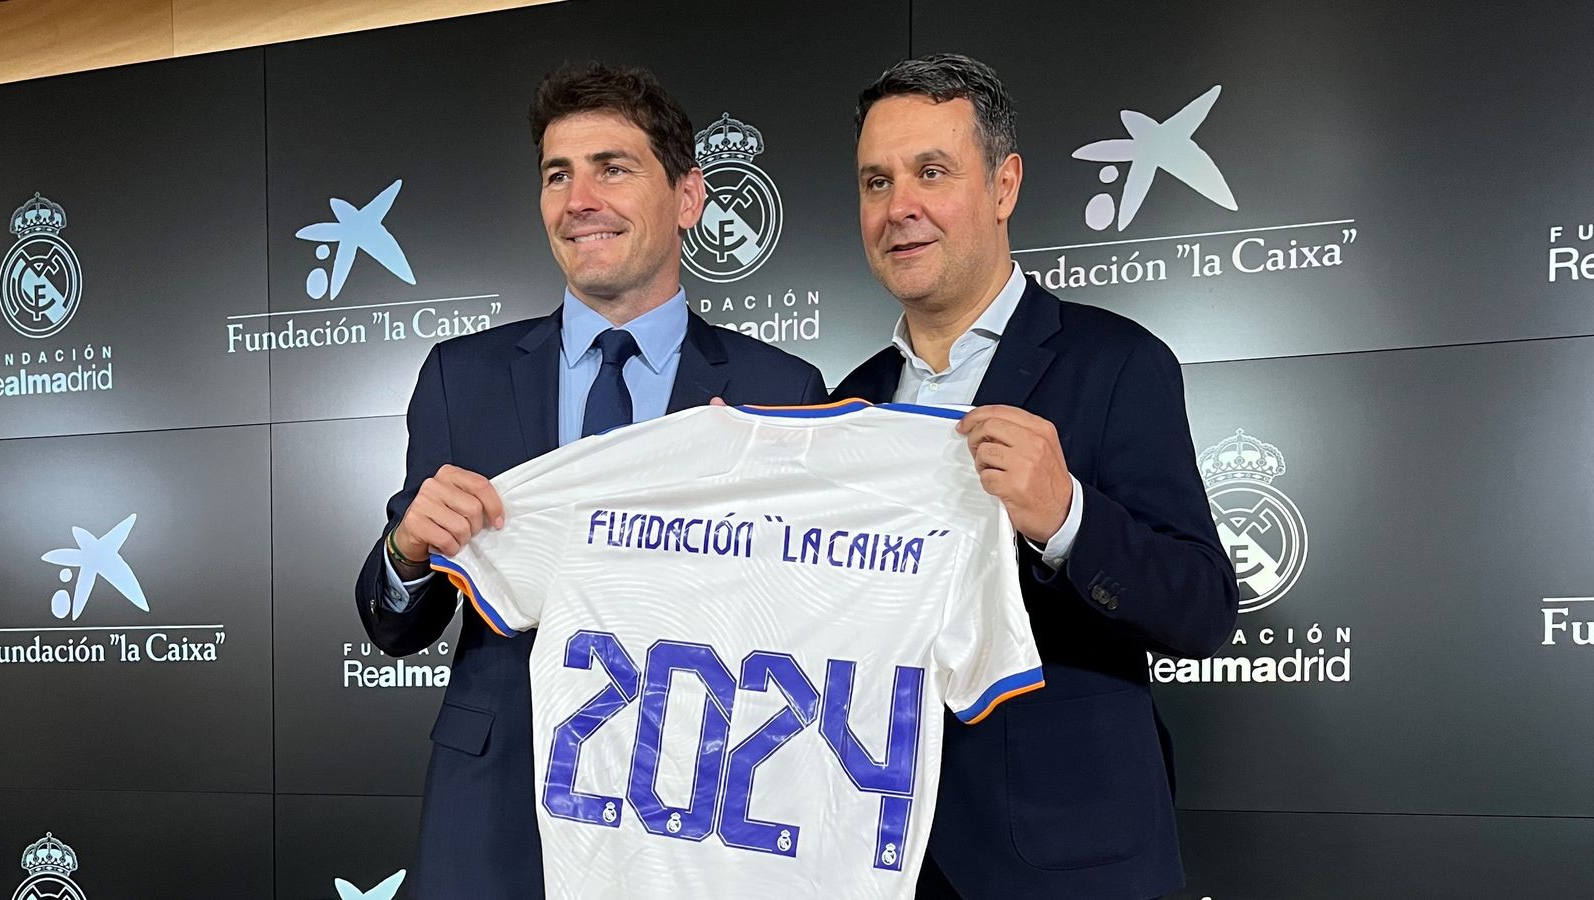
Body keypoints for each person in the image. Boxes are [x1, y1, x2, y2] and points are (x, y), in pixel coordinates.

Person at [353, 61, 826, 898]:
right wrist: (407, 552)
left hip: (694, 812)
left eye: (613, 168)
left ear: (688, 198)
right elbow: (396, 627)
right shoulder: (462, 378)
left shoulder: (779, 391)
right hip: (495, 814)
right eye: (557, 175)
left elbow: (806, 624)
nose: (579, 199)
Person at [833, 54, 1239, 899]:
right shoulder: (849, 402)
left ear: (1004, 185)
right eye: (876, 182)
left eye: (931, 172)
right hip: (877, 854)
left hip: (1068, 860)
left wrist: (1068, 518)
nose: (898, 207)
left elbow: (1200, 606)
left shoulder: (1118, 363)